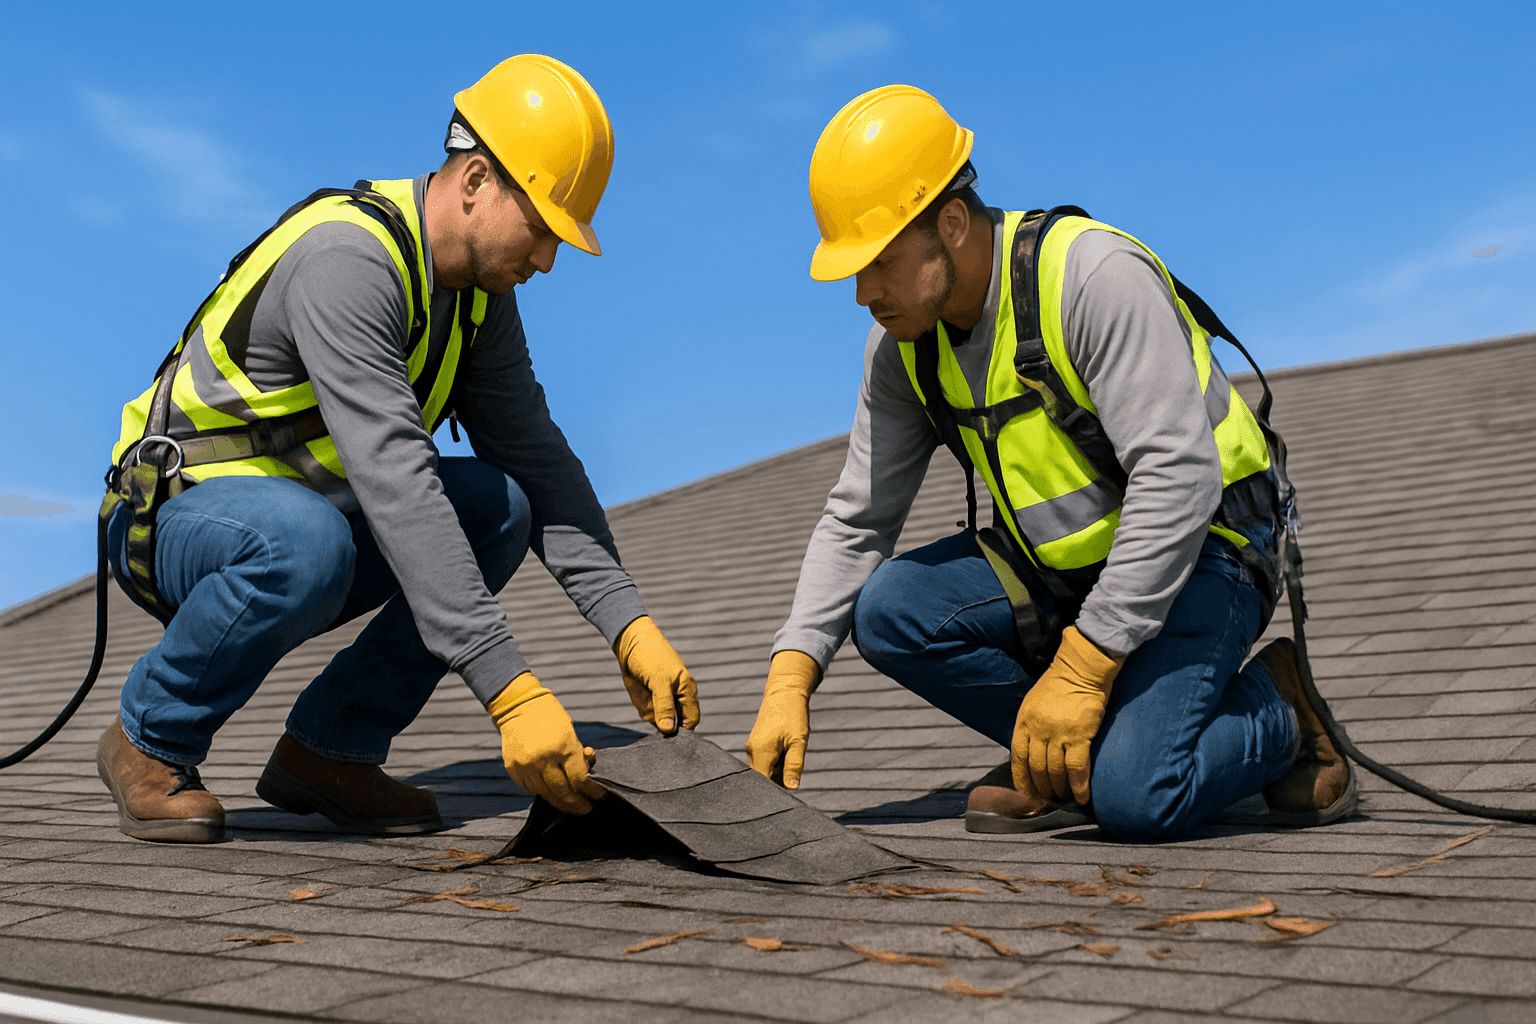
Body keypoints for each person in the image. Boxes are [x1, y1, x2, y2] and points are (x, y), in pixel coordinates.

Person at [97, 55, 699, 844]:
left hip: (303, 517)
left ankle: (330, 752)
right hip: (172, 518)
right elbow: (396, 479)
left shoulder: (479, 300)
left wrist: (628, 622)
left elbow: (538, 460)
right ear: (478, 179)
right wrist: (510, 692)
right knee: (306, 545)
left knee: (498, 505)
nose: (547, 259)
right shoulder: (349, 261)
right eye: (544, 228)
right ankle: (149, 738)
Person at [745, 85, 1353, 840]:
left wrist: (1080, 672)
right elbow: (858, 518)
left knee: (1139, 798)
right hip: (1067, 574)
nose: (863, 292)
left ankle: (1281, 708)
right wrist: (790, 675)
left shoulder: (1090, 279)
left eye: (879, 262)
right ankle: (1066, 754)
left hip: (1208, 551)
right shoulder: (903, 348)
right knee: (892, 611)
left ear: (953, 223)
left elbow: (1180, 480)